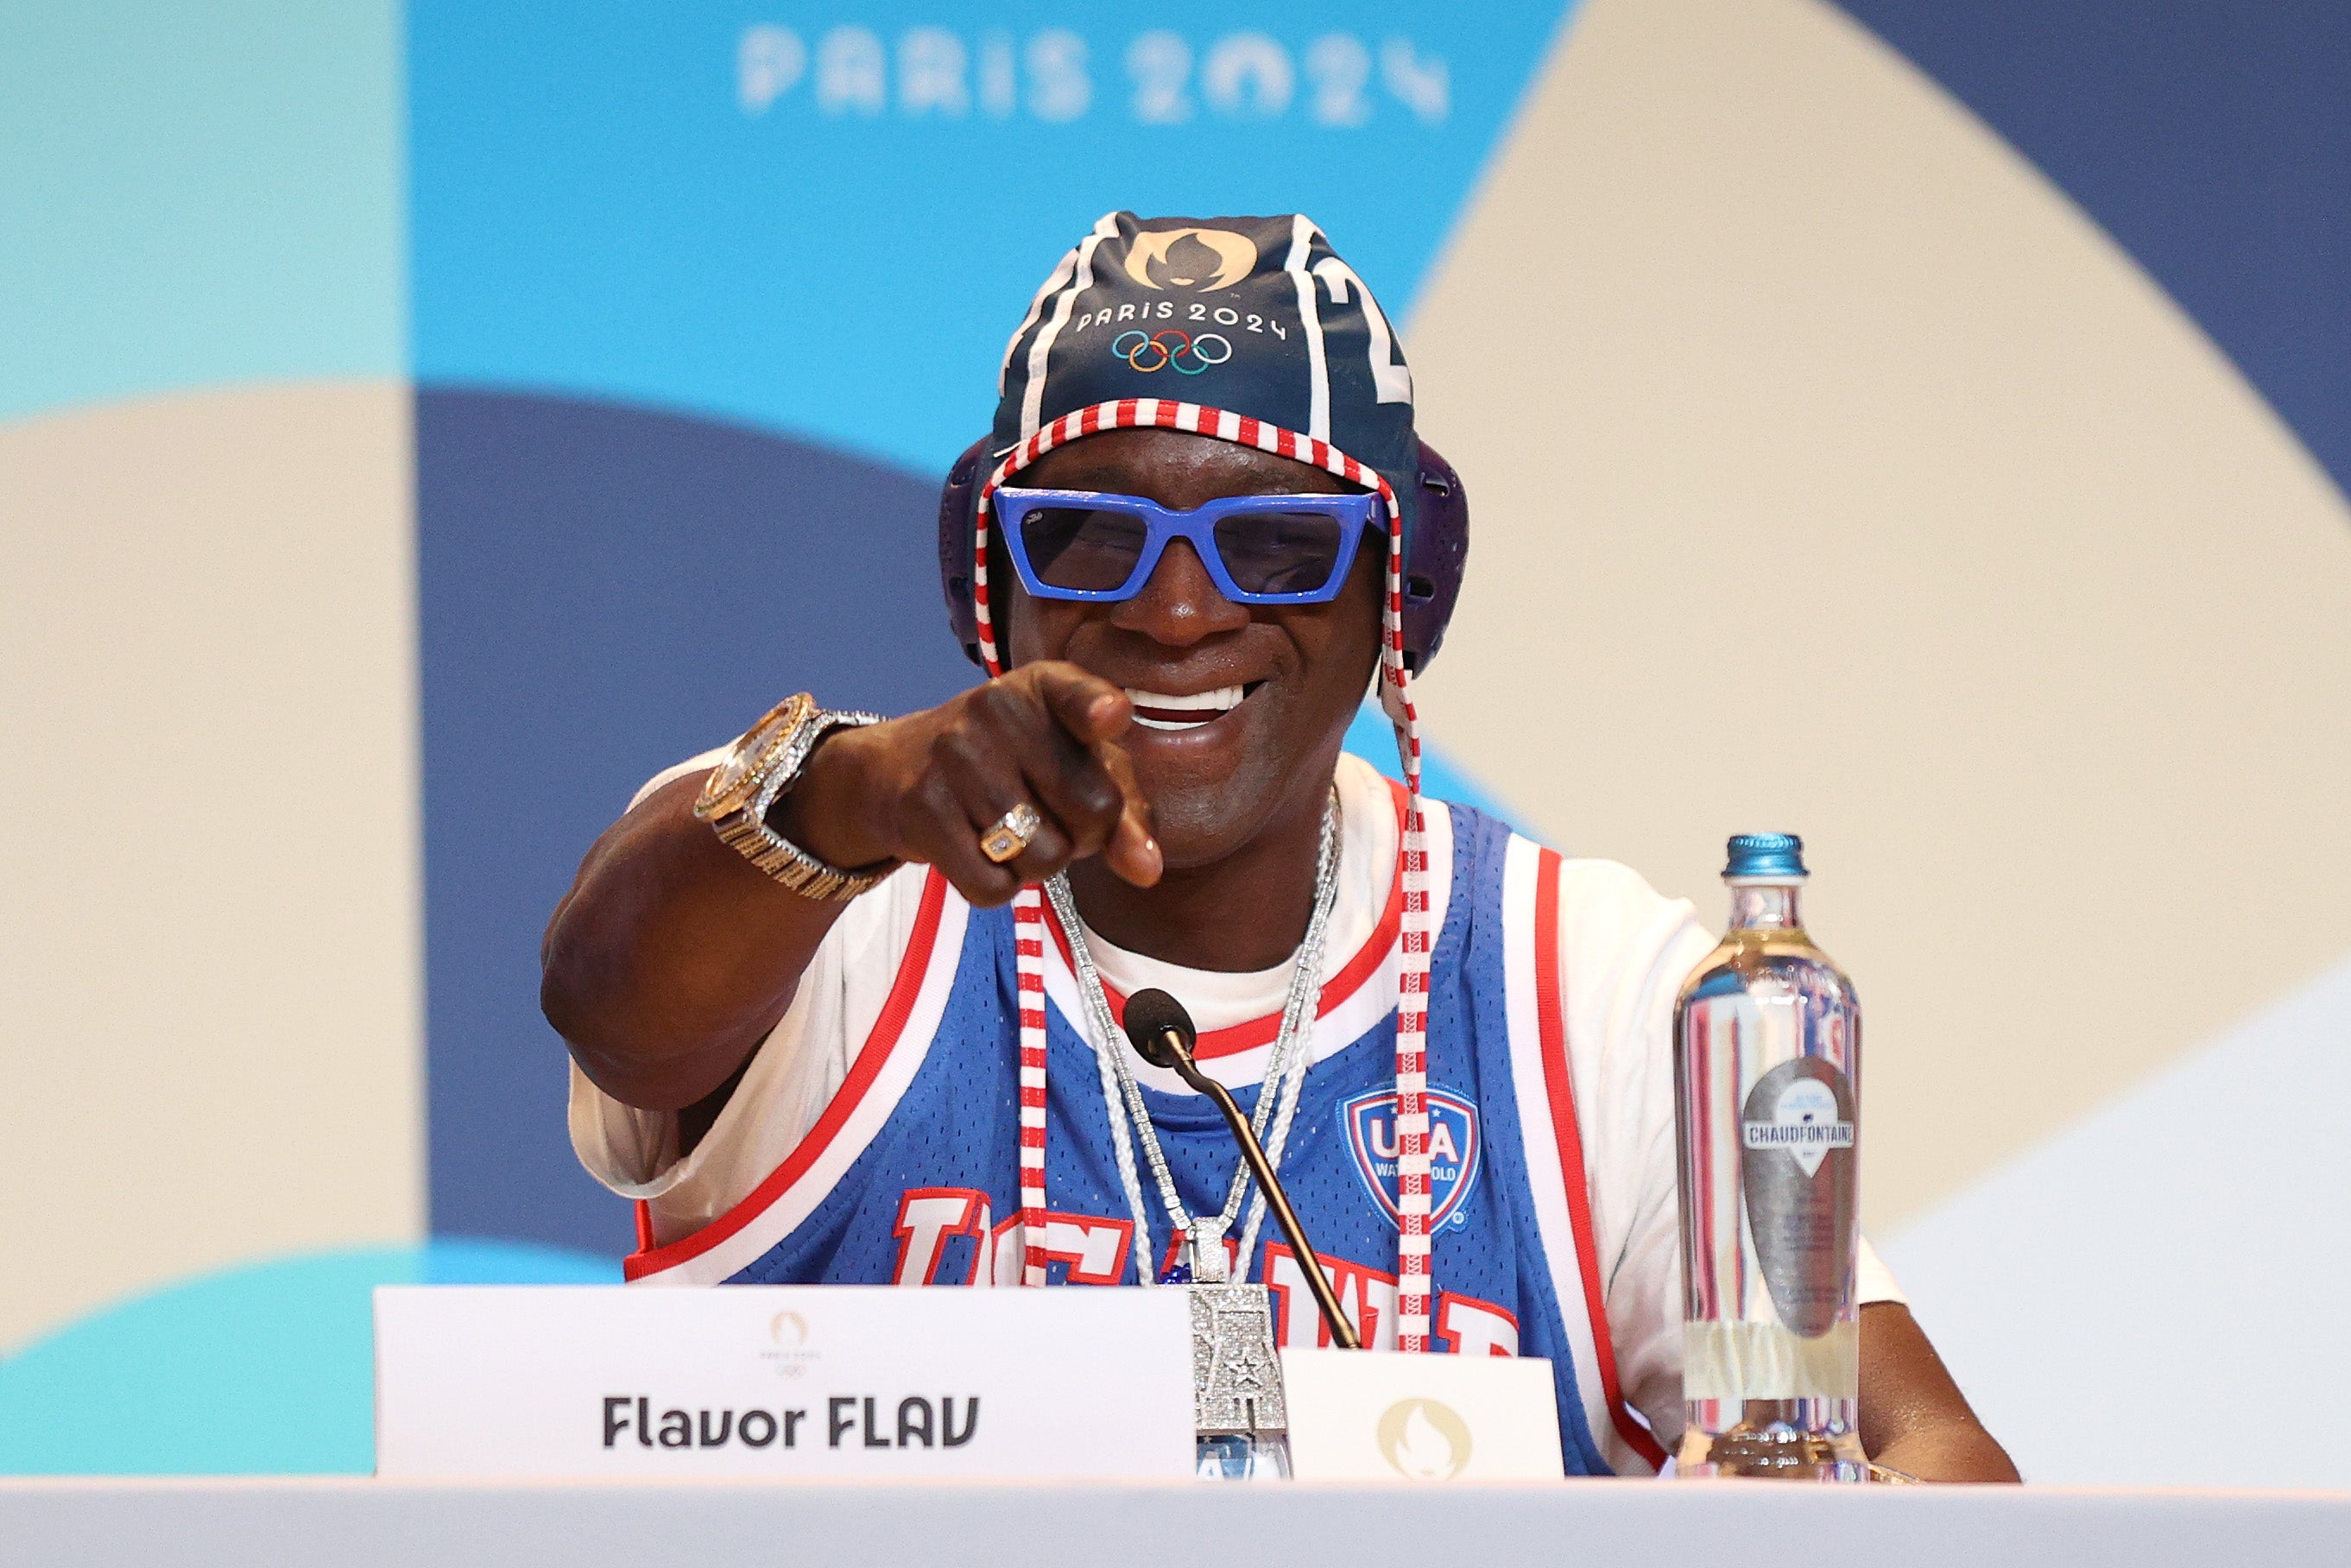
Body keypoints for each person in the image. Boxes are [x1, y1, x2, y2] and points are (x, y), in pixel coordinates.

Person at [541, 211, 2017, 1482]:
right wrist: (858, 795)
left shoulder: (1599, 988)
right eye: (1084, 537)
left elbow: (1922, 1456)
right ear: (991, 576)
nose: (1176, 613)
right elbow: (610, 1003)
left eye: (1277, 546)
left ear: (1399, 593)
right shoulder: (828, 855)